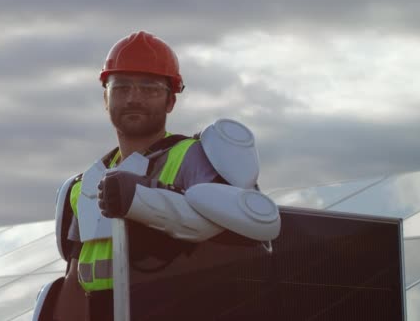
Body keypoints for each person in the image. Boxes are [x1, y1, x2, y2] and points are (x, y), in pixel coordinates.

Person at [33, 31, 280, 321]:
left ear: (170, 101)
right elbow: (75, 280)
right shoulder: (86, 183)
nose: (133, 98)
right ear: (105, 98)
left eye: (149, 88)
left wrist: (147, 197)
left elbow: (242, 234)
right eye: (121, 87)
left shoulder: (194, 156)